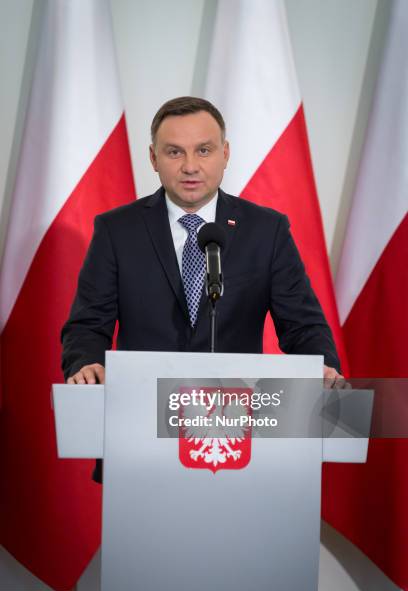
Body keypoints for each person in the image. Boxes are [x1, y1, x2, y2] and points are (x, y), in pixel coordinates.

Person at [62, 96, 344, 389]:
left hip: (235, 411)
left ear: (225, 153)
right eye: (174, 152)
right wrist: (85, 363)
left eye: (204, 150)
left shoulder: (266, 230)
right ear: (153, 158)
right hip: (140, 401)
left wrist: (320, 366)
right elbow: (89, 324)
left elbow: (302, 324)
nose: (190, 166)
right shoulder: (117, 230)